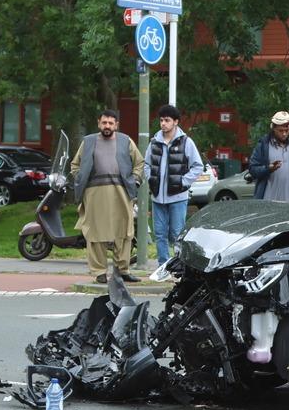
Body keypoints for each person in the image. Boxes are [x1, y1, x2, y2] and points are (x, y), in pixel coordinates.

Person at [69, 109, 139, 280]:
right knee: (96, 232)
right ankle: (99, 272)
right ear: (99, 123)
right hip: (94, 192)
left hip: (121, 191)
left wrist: (135, 180)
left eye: (110, 123)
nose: (107, 126)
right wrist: (81, 179)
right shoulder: (88, 142)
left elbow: (139, 163)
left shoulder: (126, 141)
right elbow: (75, 165)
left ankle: (123, 270)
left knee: (124, 231)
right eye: (104, 122)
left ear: (116, 125)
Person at [146, 104, 203, 265]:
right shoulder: (154, 142)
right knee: (159, 234)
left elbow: (197, 166)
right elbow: (147, 164)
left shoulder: (186, 142)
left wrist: (183, 182)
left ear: (176, 122)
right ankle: (163, 265)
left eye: (167, 120)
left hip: (178, 197)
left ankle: (179, 265)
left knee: (177, 233)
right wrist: (151, 179)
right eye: (161, 120)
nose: (163, 123)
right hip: (157, 197)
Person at [247, 111, 289, 203]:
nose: (284, 134)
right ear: (273, 128)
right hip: (267, 200)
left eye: (286, 130)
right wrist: (268, 168)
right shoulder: (263, 145)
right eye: (281, 130)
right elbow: (253, 169)